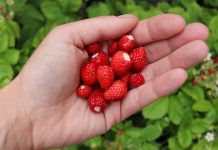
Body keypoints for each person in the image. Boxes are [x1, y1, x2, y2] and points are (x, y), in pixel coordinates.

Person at [0, 14, 209, 149]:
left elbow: (112, 76)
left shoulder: (112, 68)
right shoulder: (101, 70)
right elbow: (101, 73)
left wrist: (21, 111)